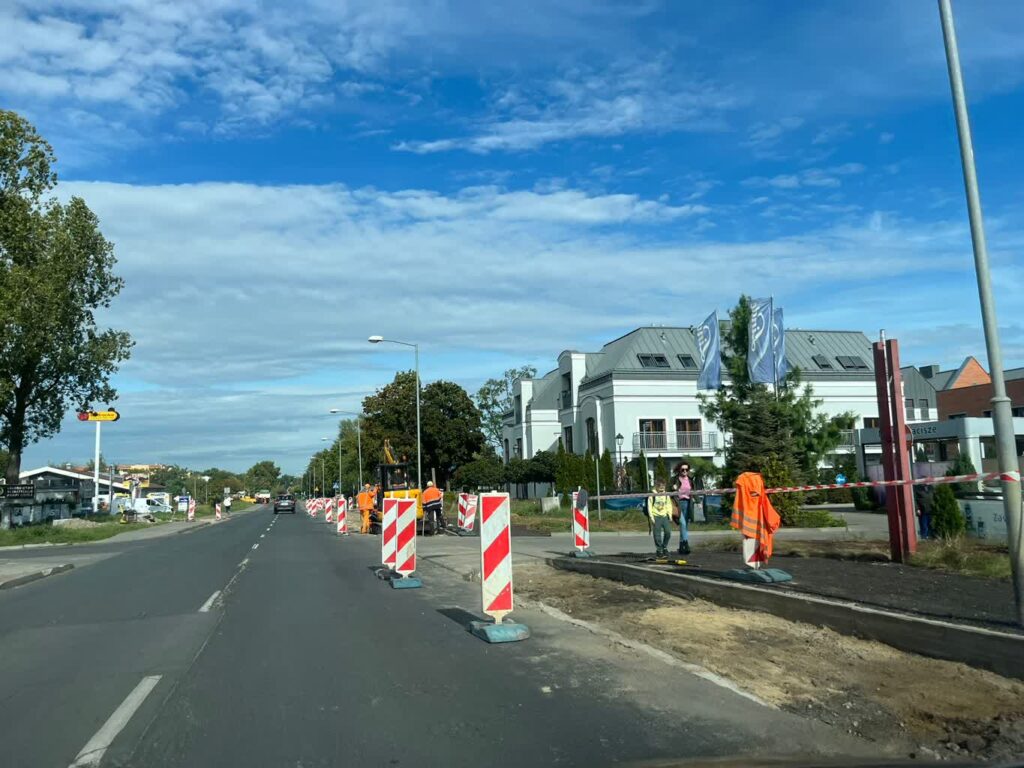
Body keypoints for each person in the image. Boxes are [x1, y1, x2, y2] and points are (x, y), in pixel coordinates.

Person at [645, 480, 674, 557]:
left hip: (664, 516)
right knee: (657, 534)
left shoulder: (666, 495)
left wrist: (670, 515)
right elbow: (649, 506)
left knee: (668, 532)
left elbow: (668, 505)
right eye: (660, 489)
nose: (662, 491)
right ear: (656, 487)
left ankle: (664, 547)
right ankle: (659, 550)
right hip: (656, 516)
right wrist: (651, 517)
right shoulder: (652, 495)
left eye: (663, 489)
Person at [673, 463, 693, 555]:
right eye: (683, 469)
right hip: (678, 504)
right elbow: (668, 490)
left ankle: (681, 547)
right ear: (679, 470)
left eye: (686, 469)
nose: (685, 471)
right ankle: (686, 544)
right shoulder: (675, 479)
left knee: (685, 526)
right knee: (683, 524)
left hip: (688, 503)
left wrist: (698, 501)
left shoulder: (690, 479)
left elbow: (693, 491)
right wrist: (673, 488)